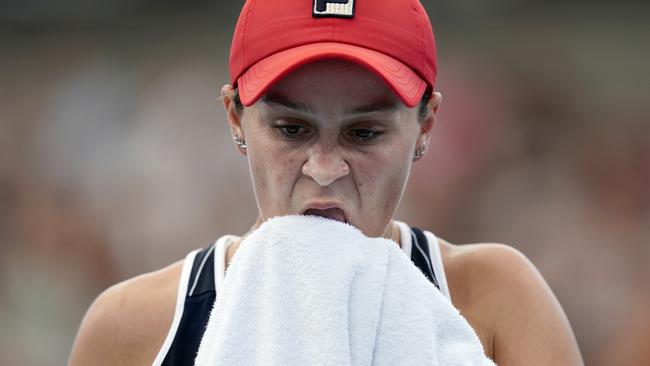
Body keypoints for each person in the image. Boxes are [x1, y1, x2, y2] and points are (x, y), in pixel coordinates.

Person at [69, 0, 584, 365]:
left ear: (425, 126)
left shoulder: (497, 299)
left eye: (364, 133)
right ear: (234, 118)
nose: (324, 166)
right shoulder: (130, 328)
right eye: (292, 129)